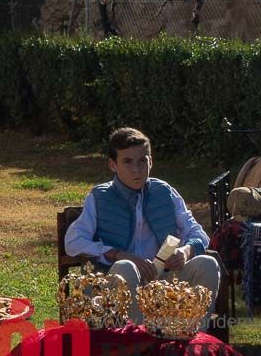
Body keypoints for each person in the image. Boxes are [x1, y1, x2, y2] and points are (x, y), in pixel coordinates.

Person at [65, 127, 221, 328]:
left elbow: (198, 233)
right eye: (127, 162)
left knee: (207, 263)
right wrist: (117, 254)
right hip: (117, 282)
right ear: (112, 165)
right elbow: (73, 242)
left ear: (151, 161)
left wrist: (186, 250)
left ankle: (193, 340)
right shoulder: (99, 197)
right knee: (126, 267)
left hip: (163, 280)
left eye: (142, 160)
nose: (136, 169)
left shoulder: (165, 192)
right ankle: (140, 344)